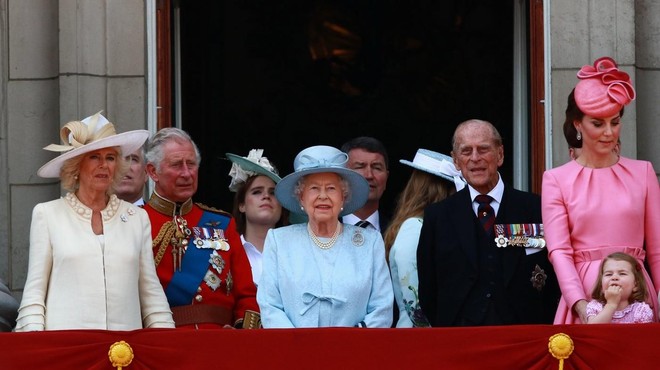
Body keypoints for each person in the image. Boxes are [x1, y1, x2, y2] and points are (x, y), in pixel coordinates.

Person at [15, 111, 174, 331]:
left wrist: (166, 343)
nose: (104, 165)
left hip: (124, 352)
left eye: (110, 158)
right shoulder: (48, 214)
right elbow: (34, 294)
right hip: (67, 350)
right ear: (77, 165)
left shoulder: (137, 218)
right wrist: (36, 346)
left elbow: (151, 294)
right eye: (94, 157)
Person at [542, 56, 660, 324]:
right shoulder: (555, 179)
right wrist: (579, 304)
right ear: (577, 124)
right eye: (598, 123)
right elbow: (559, 251)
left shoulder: (643, 172)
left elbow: (657, 248)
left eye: (615, 122)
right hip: (585, 293)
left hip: (638, 293)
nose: (609, 132)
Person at [417, 119, 560, 326]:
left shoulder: (536, 208)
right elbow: (429, 290)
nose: (475, 158)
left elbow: (554, 274)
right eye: (466, 152)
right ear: (456, 161)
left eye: (483, 149)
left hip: (525, 336)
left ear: (500, 154)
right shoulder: (438, 216)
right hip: (460, 338)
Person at [257, 145, 394, 328]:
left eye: (331, 188)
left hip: (354, 351)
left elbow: (382, 308)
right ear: (301, 198)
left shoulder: (370, 242)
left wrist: (350, 341)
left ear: (343, 197)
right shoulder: (279, 241)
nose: (323, 196)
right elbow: (270, 306)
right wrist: (298, 345)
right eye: (314, 188)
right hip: (294, 351)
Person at [143, 127, 259, 329]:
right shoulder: (136, 222)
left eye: (192, 164)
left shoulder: (223, 224)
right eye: (177, 165)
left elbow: (247, 294)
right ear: (153, 171)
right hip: (162, 340)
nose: (187, 173)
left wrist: (242, 332)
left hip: (220, 343)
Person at [384, 148, 466, 328]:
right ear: (440, 190)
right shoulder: (414, 228)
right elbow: (415, 302)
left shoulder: (429, 226)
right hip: (421, 339)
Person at [226, 149, 289, 287]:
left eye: (273, 193)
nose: (266, 196)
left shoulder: (296, 252)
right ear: (241, 205)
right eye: (257, 192)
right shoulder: (226, 251)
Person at [586, 252, 653, 324]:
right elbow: (593, 330)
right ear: (602, 286)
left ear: (635, 285)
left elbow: (645, 334)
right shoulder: (596, 307)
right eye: (609, 274)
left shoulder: (641, 310)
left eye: (622, 273)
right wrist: (611, 305)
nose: (614, 277)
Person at [340, 136, 390, 232]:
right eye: (360, 167)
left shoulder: (400, 233)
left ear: (386, 177)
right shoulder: (320, 229)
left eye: (377, 168)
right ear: (343, 177)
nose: (369, 175)